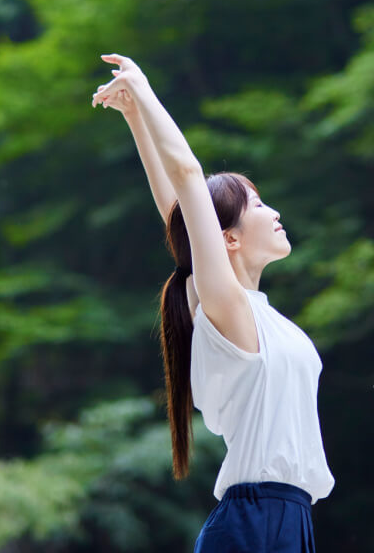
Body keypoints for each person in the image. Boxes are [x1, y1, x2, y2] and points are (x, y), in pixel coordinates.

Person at [91, 53, 334, 552]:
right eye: (259, 205)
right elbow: (186, 177)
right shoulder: (227, 309)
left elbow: (178, 218)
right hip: (255, 521)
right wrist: (144, 91)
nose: (275, 211)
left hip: (291, 520)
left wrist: (136, 118)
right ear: (229, 239)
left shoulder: (255, 313)